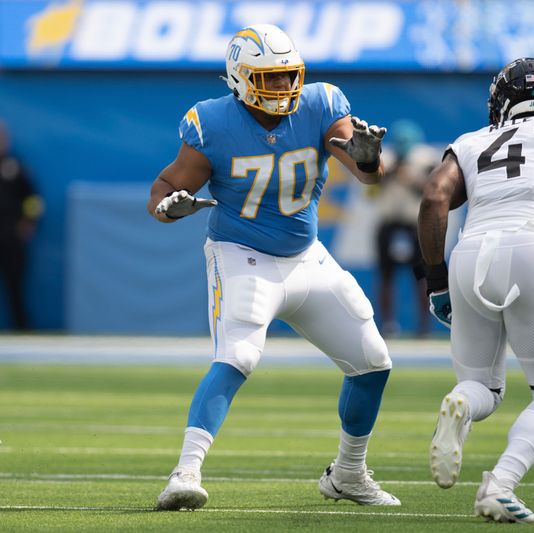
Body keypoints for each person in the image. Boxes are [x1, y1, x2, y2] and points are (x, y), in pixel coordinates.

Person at [147, 24, 399, 510]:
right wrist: (167, 208)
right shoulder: (212, 123)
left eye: (288, 76)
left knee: (372, 361)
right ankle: (185, 472)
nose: (283, 88)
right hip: (242, 255)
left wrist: (370, 160)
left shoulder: (322, 104)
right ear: (239, 79)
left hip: (307, 257)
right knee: (238, 355)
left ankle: (348, 474)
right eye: (270, 78)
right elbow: (163, 188)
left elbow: (367, 173)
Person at [417, 58, 534, 523]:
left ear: (502, 102)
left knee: (481, 385)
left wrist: (438, 281)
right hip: (530, 248)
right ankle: (499, 484)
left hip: (469, 252)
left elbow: (433, 200)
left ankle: (462, 402)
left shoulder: (470, 141)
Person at [372, 120, 436, 336]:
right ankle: (388, 325)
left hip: (415, 224)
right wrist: (390, 173)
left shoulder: (426, 159)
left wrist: (412, 179)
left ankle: (424, 326)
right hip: (388, 222)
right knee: (386, 276)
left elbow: (433, 190)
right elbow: (371, 186)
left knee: (421, 277)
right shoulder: (385, 158)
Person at [0, 121, 44, 331]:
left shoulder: (15, 166)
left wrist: (29, 222)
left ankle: (21, 329)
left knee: (15, 286)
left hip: (10, 236)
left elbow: (33, 199)